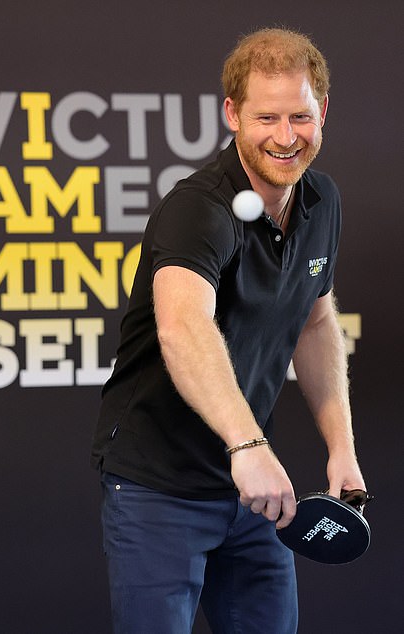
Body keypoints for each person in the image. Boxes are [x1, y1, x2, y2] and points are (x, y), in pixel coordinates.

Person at [91, 27, 366, 633]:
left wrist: (340, 447)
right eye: (267, 117)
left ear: (323, 111)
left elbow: (316, 320)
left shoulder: (323, 200)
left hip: (254, 496)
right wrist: (249, 446)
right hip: (157, 490)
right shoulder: (198, 208)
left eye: (300, 115)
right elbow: (183, 328)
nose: (286, 136)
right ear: (232, 115)